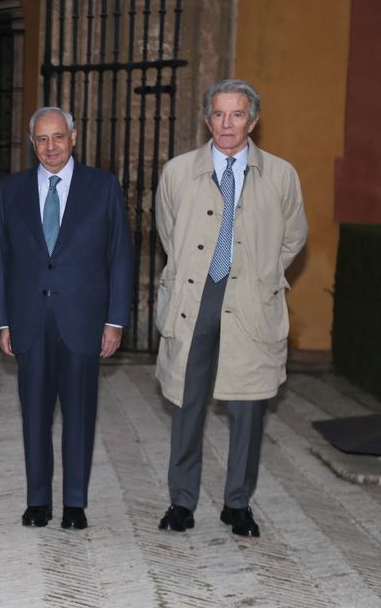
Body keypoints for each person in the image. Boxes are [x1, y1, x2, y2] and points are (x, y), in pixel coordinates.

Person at [155, 79, 307, 538]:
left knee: (248, 408)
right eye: (218, 114)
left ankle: (237, 504)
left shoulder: (281, 175)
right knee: (188, 403)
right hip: (195, 300)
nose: (227, 123)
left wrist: (260, 275)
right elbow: (168, 233)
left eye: (237, 114)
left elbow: (293, 237)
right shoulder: (178, 172)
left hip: (251, 305)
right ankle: (182, 502)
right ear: (207, 120)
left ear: (252, 121)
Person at [0, 106, 133, 530]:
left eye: (58, 137)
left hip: (83, 321)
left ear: (73, 138)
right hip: (29, 321)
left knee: (80, 415)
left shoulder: (102, 187)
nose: (50, 146)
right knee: (34, 415)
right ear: (32, 143)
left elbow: (120, 256)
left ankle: (74, 503)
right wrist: (2, 320)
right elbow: (0, 257)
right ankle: (38, 501)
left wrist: (115, 320)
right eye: (42, 139)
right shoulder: (12, 190)